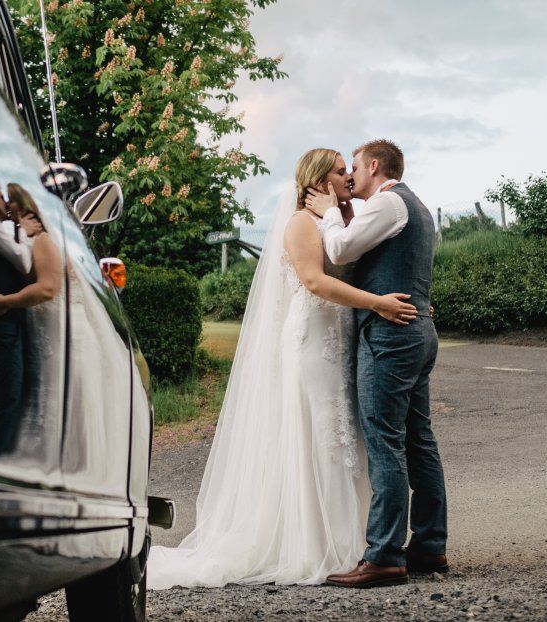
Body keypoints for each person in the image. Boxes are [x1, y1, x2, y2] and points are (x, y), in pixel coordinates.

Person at [147, 148, 419, 589]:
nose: (348, 175)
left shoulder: (336, 222)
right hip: (312, 341)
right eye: (338, 170)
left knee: (342, 437)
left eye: (349, 168)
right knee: (320, 434)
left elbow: (354, 262)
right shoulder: (299, 224)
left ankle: (353, 541)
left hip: (339, 341)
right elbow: (314, 281)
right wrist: (377, 304)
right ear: (318, 179)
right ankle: (315, 544)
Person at [305, 139, 449, 589]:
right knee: (417, 439)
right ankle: (428, 544)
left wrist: (329, 210)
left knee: (385, 439)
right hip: (416, 331)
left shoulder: (388, 202)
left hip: (391, 335)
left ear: (373, 166)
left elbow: (342, 250)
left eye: (353, 166)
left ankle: (385, 555)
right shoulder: (416, 206)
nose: (349, 175)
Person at [0, 175, 34, 457]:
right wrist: (26, 232)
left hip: (7, 322)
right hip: (1, 324)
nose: (5, 203)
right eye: (1, 196)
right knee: (8, 397)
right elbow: (24, 262)